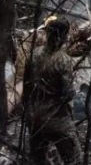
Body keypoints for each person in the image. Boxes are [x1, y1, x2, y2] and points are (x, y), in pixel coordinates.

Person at [24, 17, 81, 165]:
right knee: (74, 159)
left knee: (38, 159)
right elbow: (67, 93)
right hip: (57, 119)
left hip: (35, 117)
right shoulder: (63, 59)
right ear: (64, 35)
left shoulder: (34, 55)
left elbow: (26, 86)